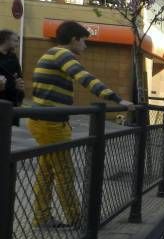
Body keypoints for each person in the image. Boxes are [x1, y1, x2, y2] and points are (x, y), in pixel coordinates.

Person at [29, 21, 133, 227]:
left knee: (47, 173)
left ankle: (41, 217)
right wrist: (118, 99)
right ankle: (77, 220)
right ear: (74, 39)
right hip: (51, 124)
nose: (85, 46)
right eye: (84, 41)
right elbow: (85, 78)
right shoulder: (62, 54)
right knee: (64, 173)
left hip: (44, 121)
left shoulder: (52, 54)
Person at [0, 29, 25, 125]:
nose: (17, 44)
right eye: (15, 40)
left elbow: (19, 77)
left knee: (7, 133)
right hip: (1, 98)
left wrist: (20, 95)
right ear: (6, 40)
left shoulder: (13, 57)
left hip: (11, 99)